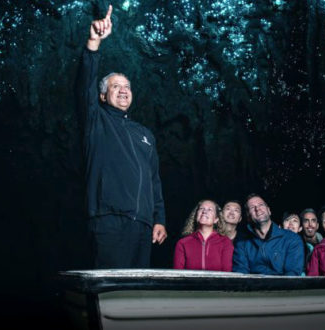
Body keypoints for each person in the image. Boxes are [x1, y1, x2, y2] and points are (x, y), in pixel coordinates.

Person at [77, 5, 167, 269]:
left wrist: (158, 218)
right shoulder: (96, 120)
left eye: (127, 87)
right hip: (109, 220)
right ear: (103, 95)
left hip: (143, 226)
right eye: (116, 86)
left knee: (137, 289)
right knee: (110, 287)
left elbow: (154, 180)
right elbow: (84, 86)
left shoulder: (145, 134)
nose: (124, 90)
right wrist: (93, 42)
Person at [232, 194, 304, 275]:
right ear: (248, 217)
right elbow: (241, 274)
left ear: (269, 211)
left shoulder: (292, 239)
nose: (257, 209)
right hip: (254, 286)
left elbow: (292, 274)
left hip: (284, 286)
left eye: (261, 205)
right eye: (252, 207)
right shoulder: (242, 243)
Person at [174, 200, 234, 271]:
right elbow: (178, 274)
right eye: (201, 209)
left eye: (210, 209)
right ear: (196, 215)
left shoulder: (225, 242)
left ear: (216, 219)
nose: (204, 212)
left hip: (217, 282)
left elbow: (226, 273)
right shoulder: (183, 243)